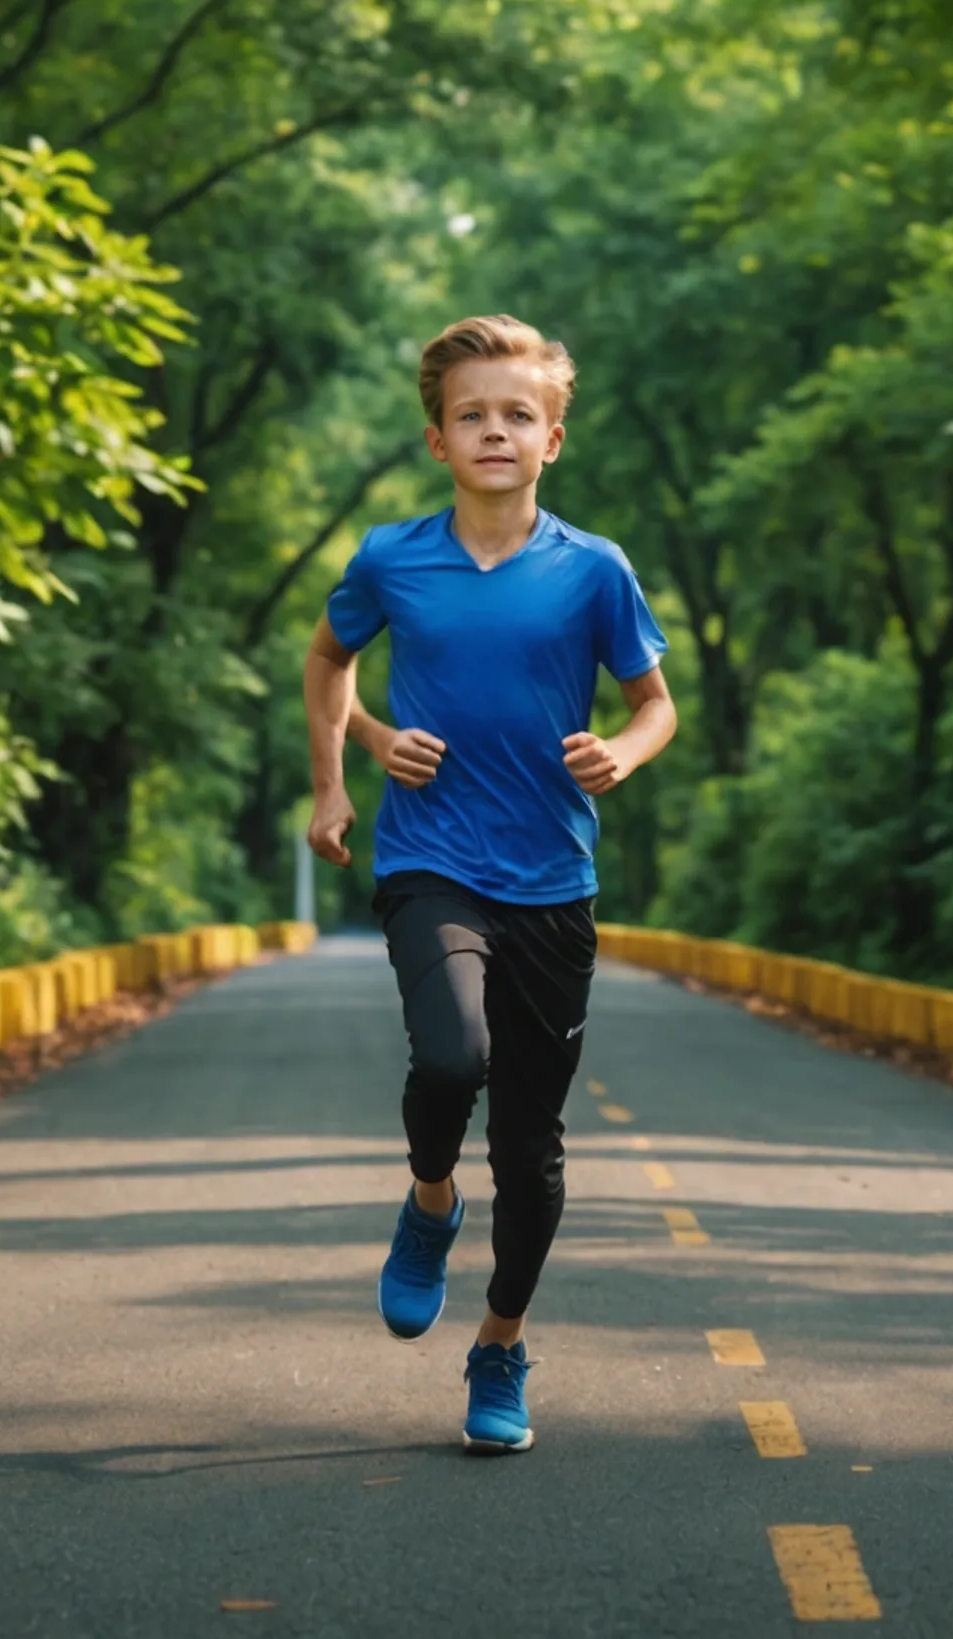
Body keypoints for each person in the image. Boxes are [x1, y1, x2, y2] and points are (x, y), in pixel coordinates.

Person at [302, 314, 678, 1455]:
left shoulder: (594, 568)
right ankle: (428, 1202)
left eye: (519, 413)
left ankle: (501, 1341)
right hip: (430, 859)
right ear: (438, 438)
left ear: (552, 437)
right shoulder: (390, 557)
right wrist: (351, 760)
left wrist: (625, 750)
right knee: (452, 1055)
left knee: (531, 1142)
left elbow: (656, 702)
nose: (496, 429)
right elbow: (329, 661)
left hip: (552, 879)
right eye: (473, 413)